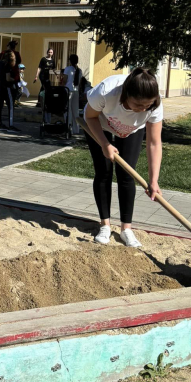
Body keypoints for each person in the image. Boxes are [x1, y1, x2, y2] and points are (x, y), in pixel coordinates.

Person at [84, 68, 164, 248]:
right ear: (126, 95)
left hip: (130, 131)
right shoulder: (107, 91)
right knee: (103, 172)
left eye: (147, 106)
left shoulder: (155, 104)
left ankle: (126, 229)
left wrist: (154, 180)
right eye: (138, 105)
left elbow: (154, 143)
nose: (143, 109)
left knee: (127, 175)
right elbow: (90, 116)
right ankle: (105, 225)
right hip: (99, 124)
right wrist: (104, 144)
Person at [0, 50, 20, 130]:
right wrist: (15, 80)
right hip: (7, 87)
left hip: (0, 86)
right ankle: (11, 124)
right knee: (10, 106)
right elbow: (8, 78)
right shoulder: (7, 66)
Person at [61, 53, 82, 135]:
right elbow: (79, 83)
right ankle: (76, 129)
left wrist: (62, 87)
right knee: (75, 111)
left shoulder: (68, 69)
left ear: (70, 60)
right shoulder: (79, 70)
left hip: (68, 90)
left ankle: (68, 128)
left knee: (68, 110)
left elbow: (65, 80)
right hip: (76, 91)